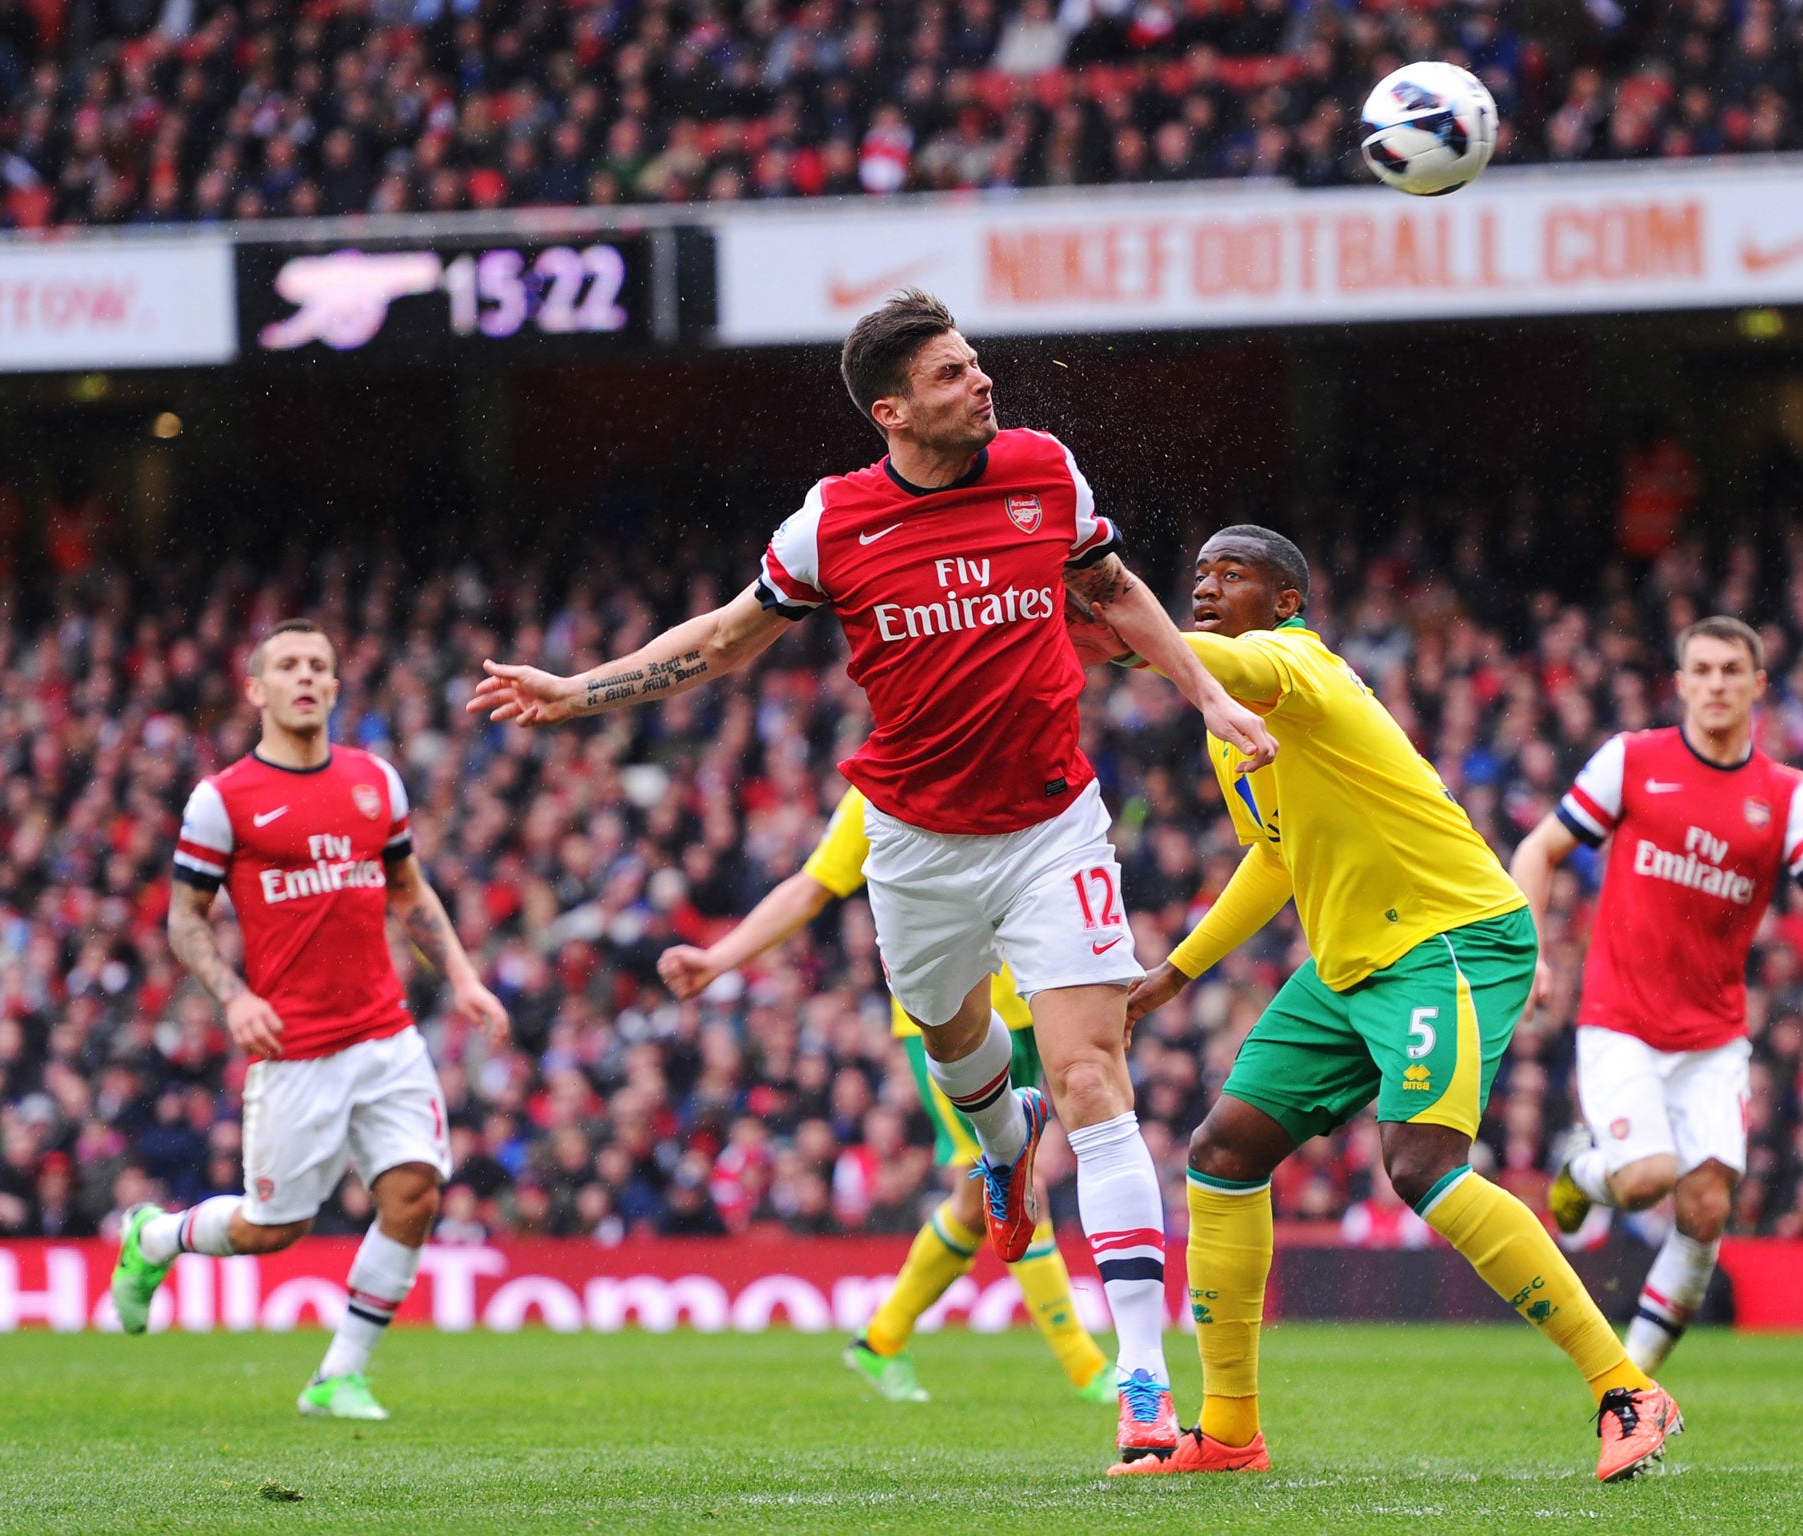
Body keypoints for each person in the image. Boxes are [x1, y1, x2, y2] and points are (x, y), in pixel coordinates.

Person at [470, 289, 1275, 1466]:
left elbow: (1109, 592)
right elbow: (720, 640)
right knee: (954, 1046)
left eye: (976, 363)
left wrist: (1203, 692)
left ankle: (1146, 1387)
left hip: (1054, 826)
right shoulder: (829, 525)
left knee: (1095, 1079)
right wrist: (578, 690)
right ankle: (1003, 1147)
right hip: (912, 845)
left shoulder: (1043, 471)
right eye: (952, 376)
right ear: (891, 411)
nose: (982, 382)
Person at [1094, 524, 1681, 1483]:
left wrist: (1118, 621)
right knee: (1223, 1152)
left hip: (1447, 938)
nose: (1205, 587)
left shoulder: (1294, 667)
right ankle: (1230, 1433)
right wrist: (1176, 974)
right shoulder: (1224, 716)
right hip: (1349, 959)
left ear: (1285, 601)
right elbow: (1276, 854)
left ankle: (1626, 1387)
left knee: (1420, 1166)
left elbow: (1200, 655)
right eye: (1197, 575)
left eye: (1230, 575)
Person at [114, 620, 510, 1420]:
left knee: (415, 1195)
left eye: (319, 666)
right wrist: (234, 996)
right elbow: (185, 919)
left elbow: (409, 891)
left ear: (334, 688)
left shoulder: (376, 783)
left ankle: (339, 1375)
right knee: (272, 1229)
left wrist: (463, 977)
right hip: (295, 1051)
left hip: (386, 1034)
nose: (305, 676)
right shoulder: (222, 800)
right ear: (256, 689)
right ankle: (154, 1238)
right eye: (288, 665)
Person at [659, 785, 1117, 1407]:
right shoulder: (881, 788)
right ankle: (1088, 1369)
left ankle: (881, 1340)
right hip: (954, 1024)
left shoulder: (1010, 758)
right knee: (1013, 1182)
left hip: (1034, 1008)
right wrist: (720, 959)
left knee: (973, 1200)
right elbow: (812, 885)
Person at [1511, 615, 1803, 1374]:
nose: (1717, 684)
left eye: (1731, 671)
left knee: (1706, 1207)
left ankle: (1634, 1386)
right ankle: (1584, 1173)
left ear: (1758, 686)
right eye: (1703, 671)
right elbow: (1539, 847)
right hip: (1619, 1019)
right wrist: (1531, 955)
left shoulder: (1785, 794)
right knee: (1648, 1178)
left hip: (1713, 1035)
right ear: (1681, 685)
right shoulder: (1633, 761)